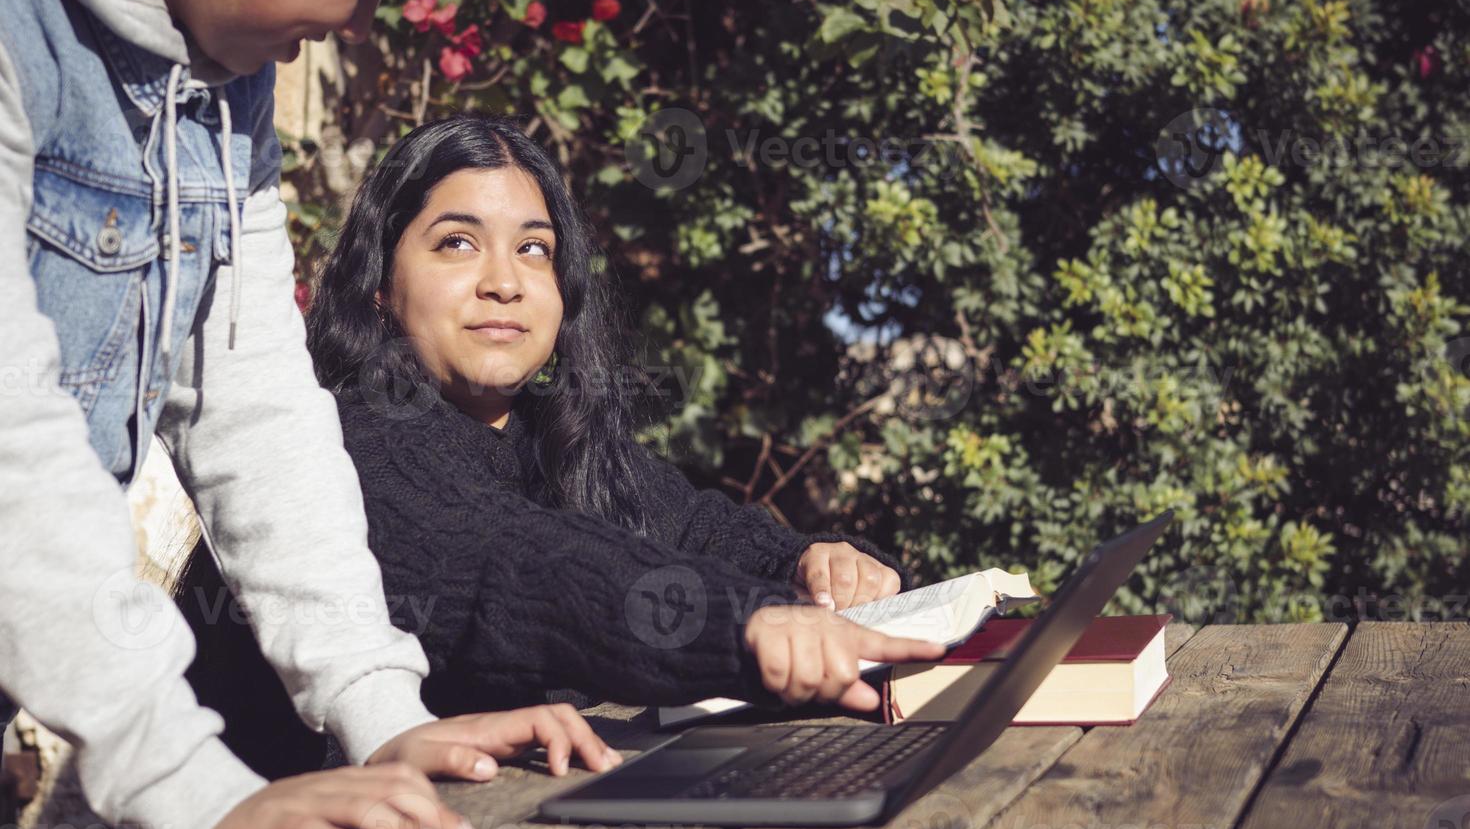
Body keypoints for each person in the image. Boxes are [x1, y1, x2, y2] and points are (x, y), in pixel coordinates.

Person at [0, 0, 616, 829]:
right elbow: (11, 446)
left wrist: (382, 714)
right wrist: (193, 787)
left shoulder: (224, 93)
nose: (359, 28)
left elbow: (255, 411)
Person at [174, 114, 947, 777]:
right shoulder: (348, 441)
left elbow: (711, 533)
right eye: (456, 243)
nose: (504, 283)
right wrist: (754, 628)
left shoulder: (556, 438)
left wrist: (822, 560)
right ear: (379, 282)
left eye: (534, 250)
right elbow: (516, 565)